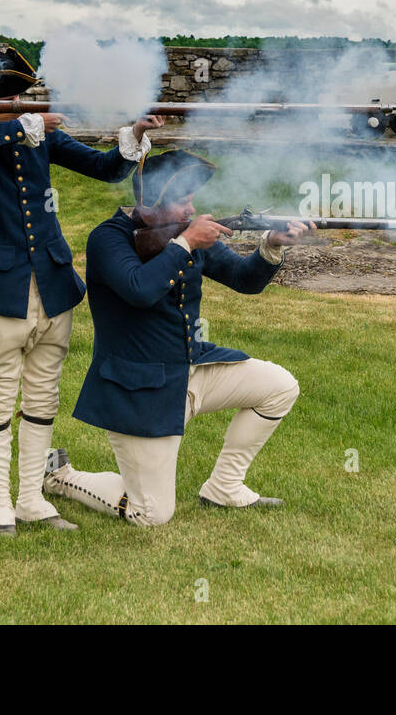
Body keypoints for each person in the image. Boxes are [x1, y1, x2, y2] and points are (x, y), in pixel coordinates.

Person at [0, 42, 164, 535]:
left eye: (24, 97)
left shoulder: (36, 137)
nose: (25, 103)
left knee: (43, 396)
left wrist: (136, 134)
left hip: (54, 280)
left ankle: (31, 498)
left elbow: (105, 169)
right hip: (2, 287)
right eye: (13, 97)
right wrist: (23, 125)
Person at [43, 149, 314, 526]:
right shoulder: (108, 239)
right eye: (182, 201)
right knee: (151, 514)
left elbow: (243, 279)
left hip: (189, 369)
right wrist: (185, 243)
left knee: (281, 386)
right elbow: (140, 289)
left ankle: (224, 487)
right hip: (140, 391)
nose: (191, 210)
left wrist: (271, 245)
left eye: (191, 200)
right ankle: (61, 476)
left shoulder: (182, 235)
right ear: (149, 203)